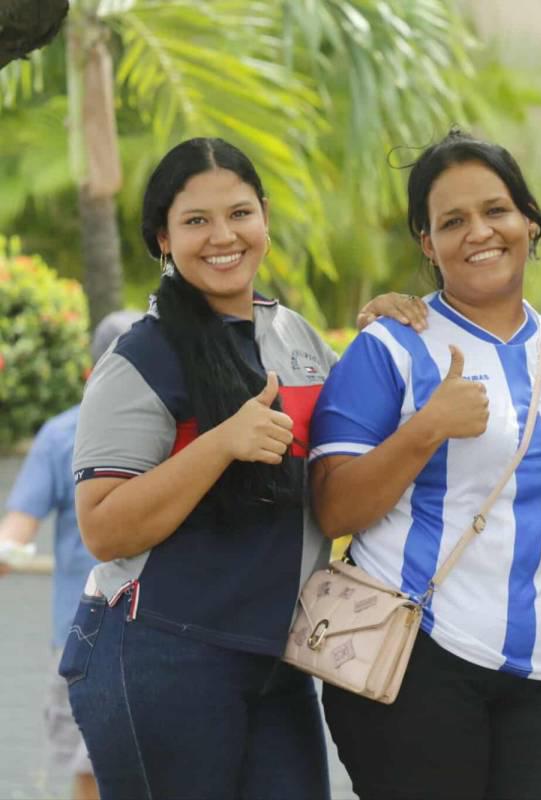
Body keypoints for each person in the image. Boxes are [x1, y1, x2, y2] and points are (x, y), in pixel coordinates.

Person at [62, 136, 408, 799]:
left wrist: (388, 339)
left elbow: (352, 453)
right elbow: (103, 528)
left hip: (273, 659)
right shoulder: (142, 357)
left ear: (265, 218)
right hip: (158, 652)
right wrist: (220, 444)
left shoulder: (297, 339)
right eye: (195, 221)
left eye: (240, 214)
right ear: (161, 238)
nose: (223, 236)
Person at [308, 129, 541, 800]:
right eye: (452, 221)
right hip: (415, 660)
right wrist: (426, 430)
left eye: (496, 210)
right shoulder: (391, 346)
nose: (480, 232)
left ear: (529, 219)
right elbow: (332, 507)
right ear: (427, 243)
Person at [0, 309, 138, 800]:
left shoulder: (184, 430)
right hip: (87, 638)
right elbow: (16, 530)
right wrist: (7, 549)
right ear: (95, 371)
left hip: (162, 633)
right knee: (93, 772)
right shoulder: (62, 436)